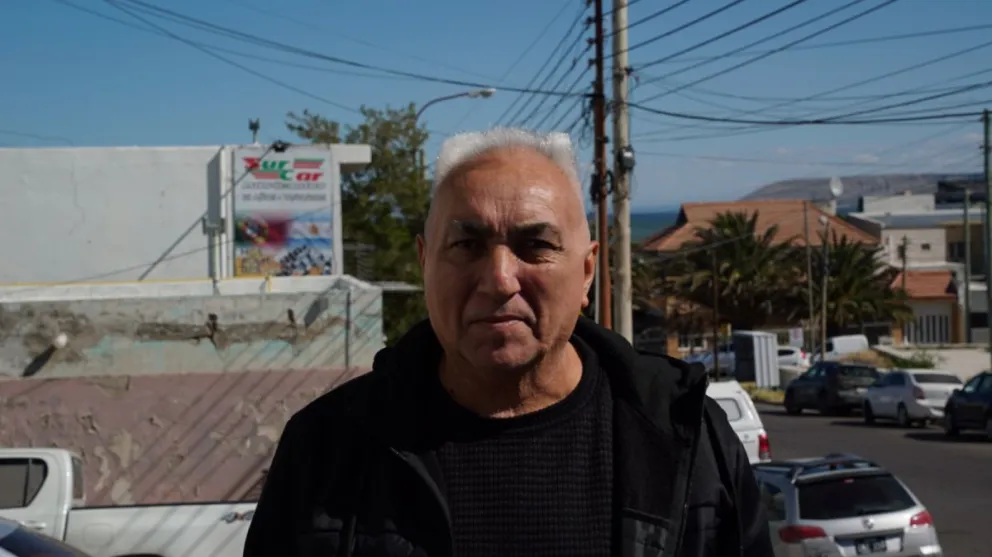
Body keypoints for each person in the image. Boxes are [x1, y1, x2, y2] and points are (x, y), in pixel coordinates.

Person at [244, 128, 773, 557]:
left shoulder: (687, 439)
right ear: (425, 262)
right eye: (467, 244)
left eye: (535, 244)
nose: (499, 279)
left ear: (587, 272)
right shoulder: (327, 448)